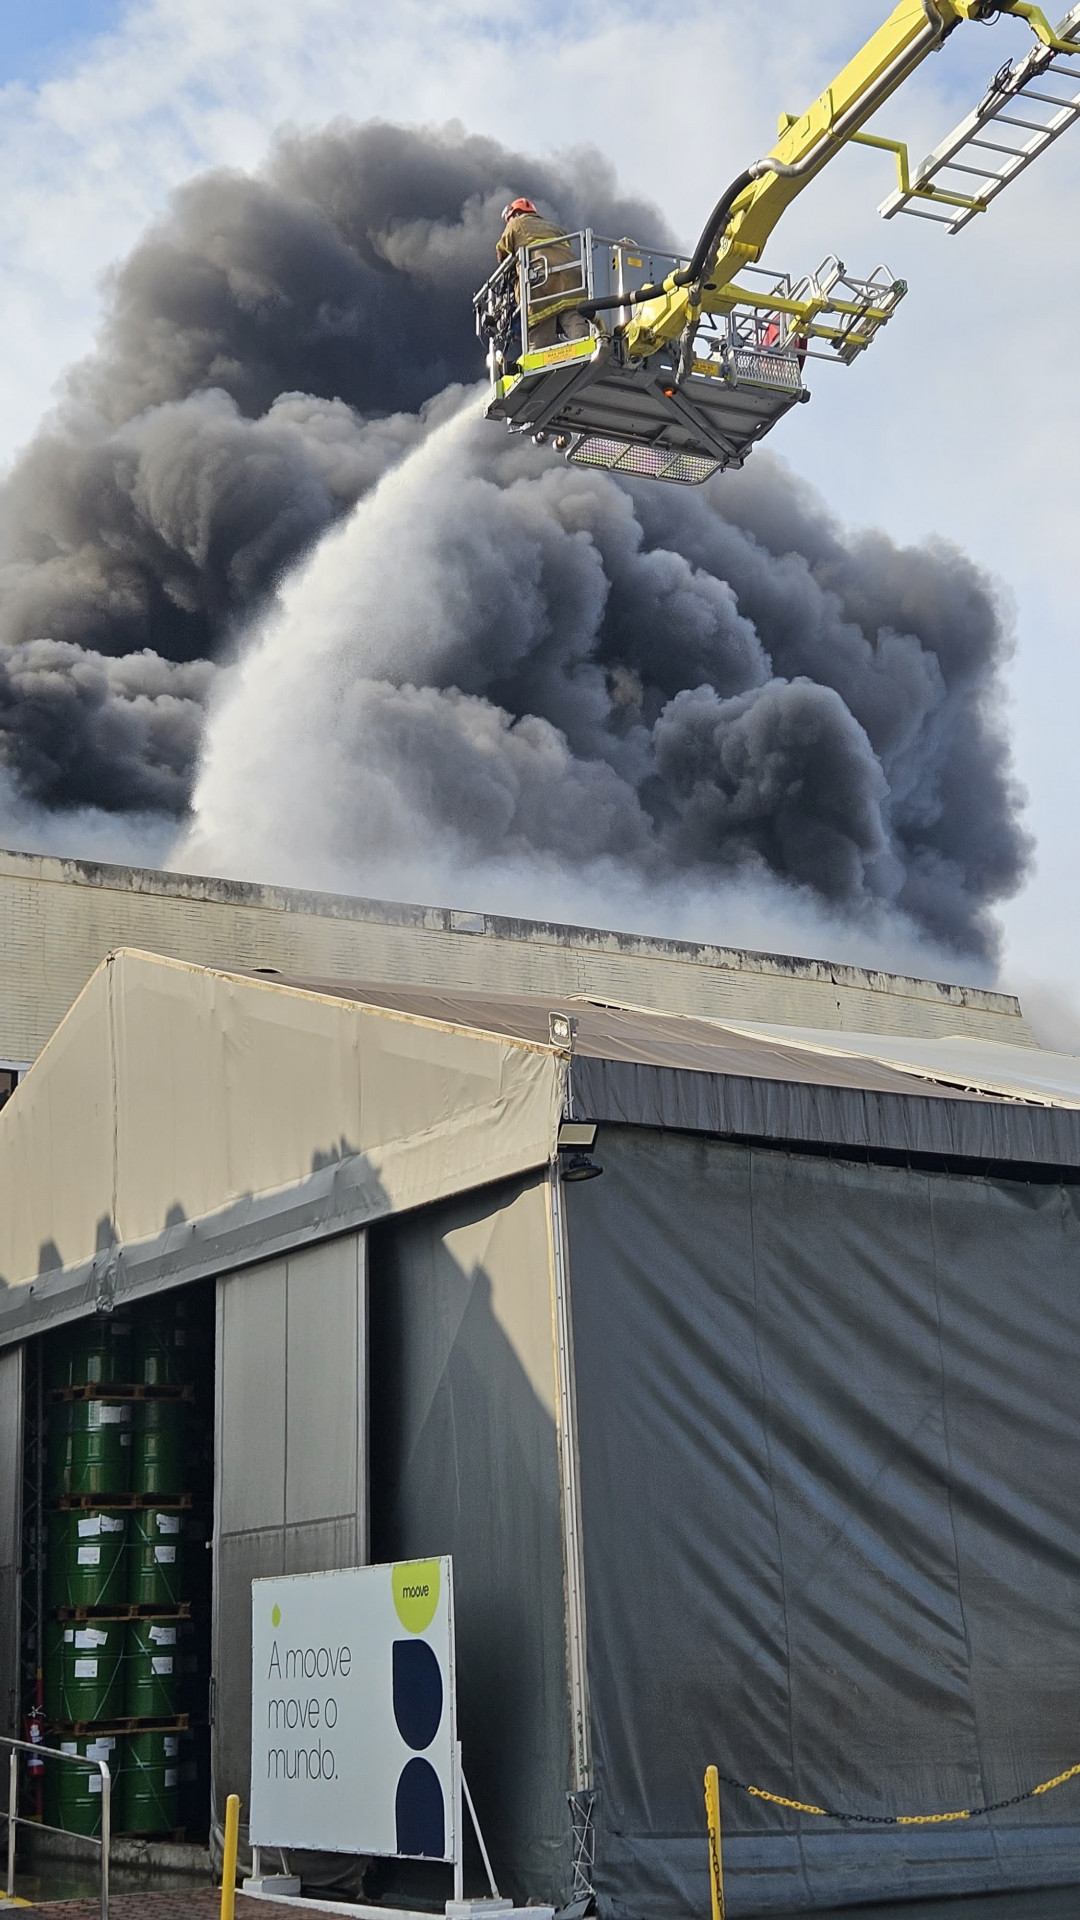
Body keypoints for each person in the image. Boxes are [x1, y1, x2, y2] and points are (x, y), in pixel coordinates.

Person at [496, 198, 592, 350]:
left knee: (541, 330)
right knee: (573, 319)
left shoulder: (515, 224)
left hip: (541, 282)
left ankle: (538, 366)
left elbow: (502, 251)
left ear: (515, 213)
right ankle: (585, 347)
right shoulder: (554, 227)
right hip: (571, 278)